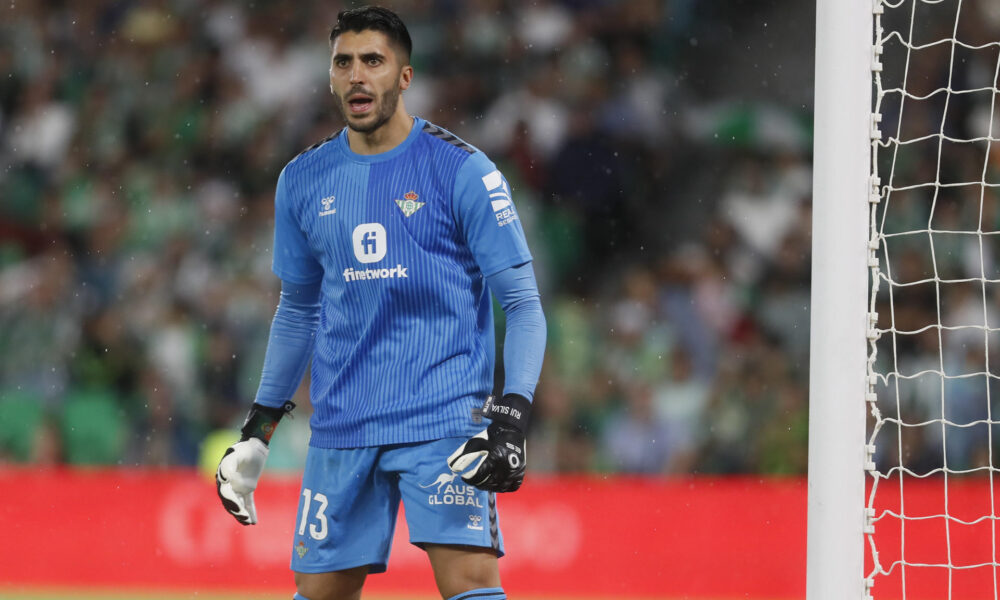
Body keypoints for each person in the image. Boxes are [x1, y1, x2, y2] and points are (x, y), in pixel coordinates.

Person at [214, 7, 546, 600]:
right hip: (342, 425)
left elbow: (521, 302)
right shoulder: (303, 180)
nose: (357, 76)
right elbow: (298, 311)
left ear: (405, 76)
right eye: (344, 62)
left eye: (373, 61)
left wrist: (512, 417)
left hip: (443, 421)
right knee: (318, 594)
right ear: (330, 77)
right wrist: (258, 430)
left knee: (470, 583)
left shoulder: (463, 171)